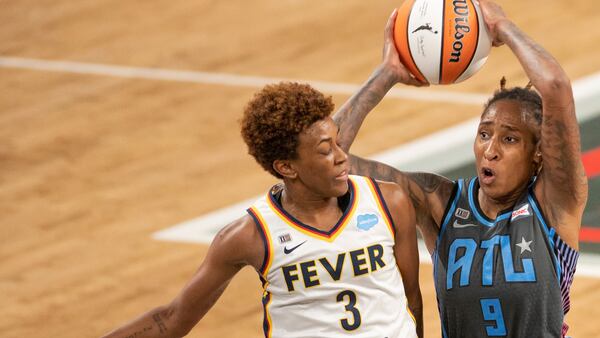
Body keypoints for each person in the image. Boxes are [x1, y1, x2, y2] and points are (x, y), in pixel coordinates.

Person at [333, 1, 588, 337]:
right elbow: (325, 160)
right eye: (484, 134)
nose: (490, 150)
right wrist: (387, 73)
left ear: (538, 154)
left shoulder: (556, 203)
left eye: (509, 140)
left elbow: (555, 87)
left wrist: (502, 28)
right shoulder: (439, 202)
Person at [102, 81, 424, 338]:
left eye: (338, 143)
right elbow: (172, 319)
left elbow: (411, 301)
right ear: (286, 166)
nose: (342, 157)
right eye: (326, 150)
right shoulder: (250, 236)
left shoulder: (390, 203)